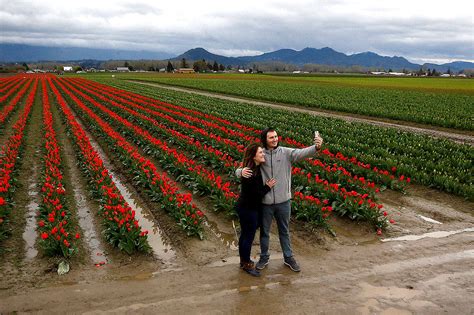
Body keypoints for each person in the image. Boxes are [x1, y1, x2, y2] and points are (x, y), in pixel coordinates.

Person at [236, 127, 323, 272]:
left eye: (276, 136)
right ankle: (264, 257)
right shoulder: (261, 154)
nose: (275, 139)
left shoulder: (286, 153)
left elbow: (302, 153)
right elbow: (246, 163)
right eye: (271, 137)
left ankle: (289, 258)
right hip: (266, 203)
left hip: (284, 201)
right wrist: (239, 172)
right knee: (265, 232)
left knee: (284, 230)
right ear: (265, 140)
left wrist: (316, 147)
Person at [235, 143, 277, 277]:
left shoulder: (253, 169)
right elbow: (256, 194)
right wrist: (268, 187)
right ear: (254, 156)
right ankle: (247, 264)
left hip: (245, 207)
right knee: (248, 236)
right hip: (248, 208)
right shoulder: (250, 173)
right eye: (260, 153)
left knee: (245, 235)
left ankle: (243, 261)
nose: (263, 154)